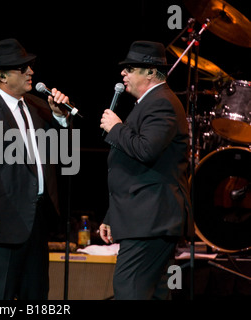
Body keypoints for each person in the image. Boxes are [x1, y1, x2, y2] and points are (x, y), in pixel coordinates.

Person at [0, 38, 71, 300]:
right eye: (22, 68)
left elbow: (65, 153)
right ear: (2, 76)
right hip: (0, 223)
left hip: (36, 219)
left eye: (30, 66)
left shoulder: (39, 107)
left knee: (36, 295)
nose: (30, 72)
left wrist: (61, 118)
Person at [99, 41, 192, 300]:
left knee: (129, 291)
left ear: (150, 72)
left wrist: (116, 128)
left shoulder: (161, 103)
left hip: (151, 221)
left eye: (130, 69)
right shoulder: (148, 103)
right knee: (155, 294)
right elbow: (135, 168)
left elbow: (146, 150)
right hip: (144, 218)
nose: (123, 74)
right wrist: (111, 215)